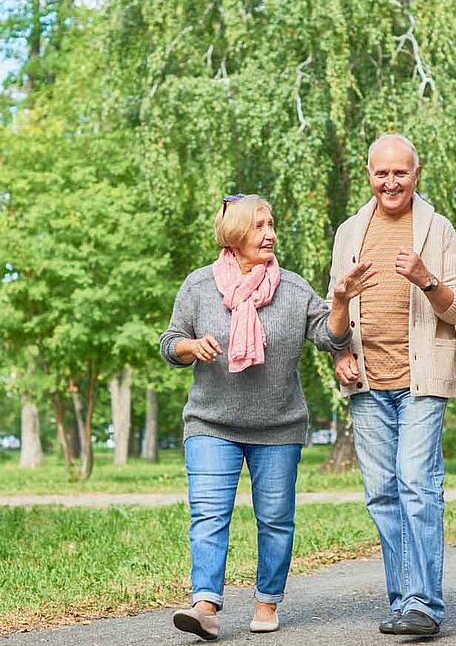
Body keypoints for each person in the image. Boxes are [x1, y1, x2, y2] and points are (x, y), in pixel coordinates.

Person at [160, 194, 374, 641]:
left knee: (275, 519)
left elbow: (331, 338)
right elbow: (170, 341)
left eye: (271, 224)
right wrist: (191, 346)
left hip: (278, 426)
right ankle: (205, 606)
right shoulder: (200, 285)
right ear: (235, 233)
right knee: (208, 515)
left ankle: (266, 601)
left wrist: (338, 302)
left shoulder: (292, 289)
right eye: (259, 226)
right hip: (210, 423)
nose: (270, 233)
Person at [328, 133, 456, 636]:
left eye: (400, 173)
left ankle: (424, 604)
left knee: (416, 483)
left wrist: (426, 279)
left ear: (416, 174)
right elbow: (334, 317)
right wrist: (340, 351)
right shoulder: (350, 231)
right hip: (367, 381)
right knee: (381, 494)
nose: (391, 182)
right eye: (382, 173)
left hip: (421, 379)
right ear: (369, 174)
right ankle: (403, 599)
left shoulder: (436, 229)